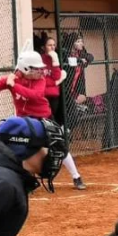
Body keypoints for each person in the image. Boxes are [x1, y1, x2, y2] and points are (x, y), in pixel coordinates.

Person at [0, 47, 87, 190]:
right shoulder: (15, 79)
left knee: (58, 147)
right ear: (26, 69)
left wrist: (14, 86)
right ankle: (26, 180)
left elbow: (35, 95)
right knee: (23, 150)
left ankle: (76, 176)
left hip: (44, 119)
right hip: (25, 122)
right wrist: (9, 78)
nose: (41, 71)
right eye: (36, 69)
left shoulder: (40, 80)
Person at [41, 37, 88, 189]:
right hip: (43, 104)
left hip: (57, 100)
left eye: (54, 45)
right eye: (49, 45)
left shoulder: (57, 59)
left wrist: (57, 64)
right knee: (37, 142)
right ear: (44, 47)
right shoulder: (39, 61)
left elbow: (57, 79)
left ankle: (76, 176)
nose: (52, 47)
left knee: (59, 138)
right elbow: (46, 82)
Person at [63, 31, 95, 105]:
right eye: (78, 41)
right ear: (72, 42)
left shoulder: (80, 52)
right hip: (67, 87)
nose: (81, 44)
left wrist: (86, 58)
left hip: (76, 87)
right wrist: (79, 60)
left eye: (81, 41)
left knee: (83, 99)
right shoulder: (65, 52)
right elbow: (68, 60)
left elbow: (91, 57)